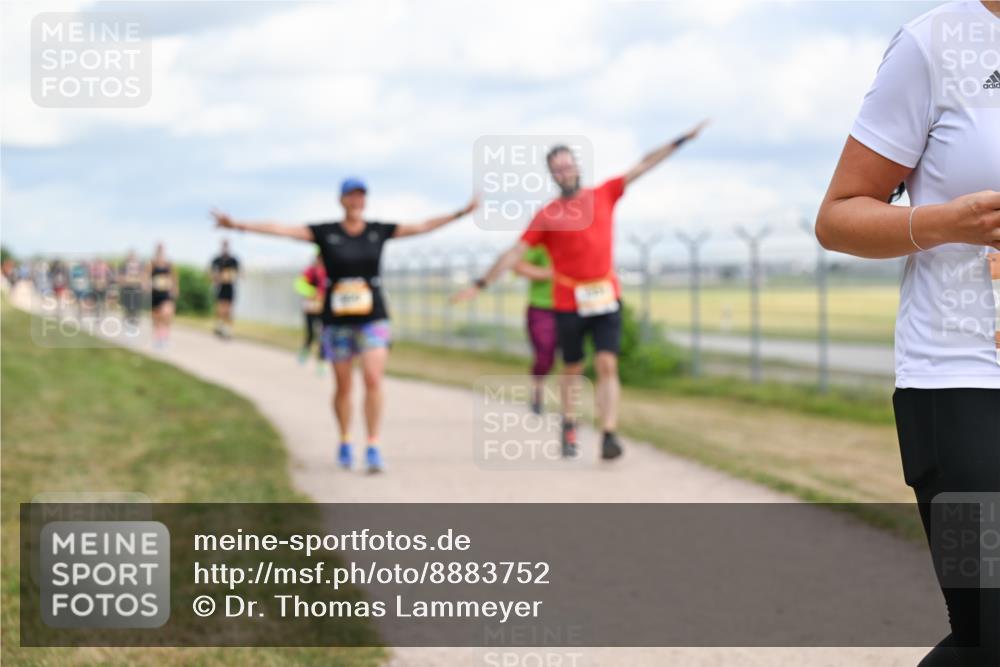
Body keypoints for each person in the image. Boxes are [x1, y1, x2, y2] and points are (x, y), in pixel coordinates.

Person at [816, 2, 999, 665]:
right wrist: (947, 222)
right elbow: (838, 217)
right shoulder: (935, 43)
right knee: (992, 630)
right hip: (961, 381)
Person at [454, 122, 708, 461]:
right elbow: (515, 253)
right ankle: (569, 423)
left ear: (577, 166)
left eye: (568, 164)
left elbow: (643, 165)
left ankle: (609, 433)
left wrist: (680, 140)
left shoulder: (603, 193)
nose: (564, 171)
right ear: (552, 175)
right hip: (567, 302)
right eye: (557, 168)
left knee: (606, 364)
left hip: (605, 296)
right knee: (572, 368)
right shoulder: (546, 215)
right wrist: (481, 283)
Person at [211, 177, 478, 473]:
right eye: (351, 195)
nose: (356, 200)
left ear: (366, 200)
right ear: (341, 200)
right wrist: (237, 225)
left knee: (374, 379)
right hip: (337, 320)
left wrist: (461, 213)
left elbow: (421, 226)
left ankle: (373, 445)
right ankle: (345, 439)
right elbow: (281, 229)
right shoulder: (326, 232)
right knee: (344, 387)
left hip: (373, 317)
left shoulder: (378, 231)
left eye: (361, 195)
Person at [514, 244, 556, 414]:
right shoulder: (542, 244)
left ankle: (570, 411)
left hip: (571, 307)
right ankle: (538, 391)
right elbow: (518, 266)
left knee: (574, 357)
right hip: (542, 306)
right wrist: (550, 273)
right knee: (544, 354)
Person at [295, 252, 329, 373]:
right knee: (310, 333)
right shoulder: (310, 271)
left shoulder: (330, 270)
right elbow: (299, 285)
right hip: (311, 307)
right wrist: (313, 292)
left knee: (324, 335)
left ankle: (322, 361)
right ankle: (306, 349)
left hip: (325, 308)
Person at [150, 243, 178, 348]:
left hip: (166, 293)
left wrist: (175, 288)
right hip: (155, 293)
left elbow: (174, 277)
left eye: (161, 249)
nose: (160, 251)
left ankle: (165, 337)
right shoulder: (152, 263)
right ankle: (157, 338)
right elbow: (146, 276)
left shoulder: (169, 264)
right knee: (156, 317)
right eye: (158, 249)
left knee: (167, 314)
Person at [210, 240, 240, 339]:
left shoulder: (233, 260)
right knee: (220, 309)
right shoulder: (217, 259)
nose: (225, 248)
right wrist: (216, 278)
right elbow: (210, 273)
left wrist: (232, 276)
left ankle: (228, 330)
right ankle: (220, 326)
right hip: (220, 287)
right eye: (224, 246)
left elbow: (240, 273)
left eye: (227, 246)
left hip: (230, 287)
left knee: (229, 310)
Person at [118, 250, 145, 324]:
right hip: (127, 288)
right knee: (127, 305)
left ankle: (135, 318)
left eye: (133, 257)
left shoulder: (140, 266)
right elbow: (120, 278)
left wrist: (141, 283)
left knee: (136, 305)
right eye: (130, 257)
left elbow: (143, 277)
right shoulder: (123, 266)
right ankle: (128, 317)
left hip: (136, 288)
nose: (132, 259)